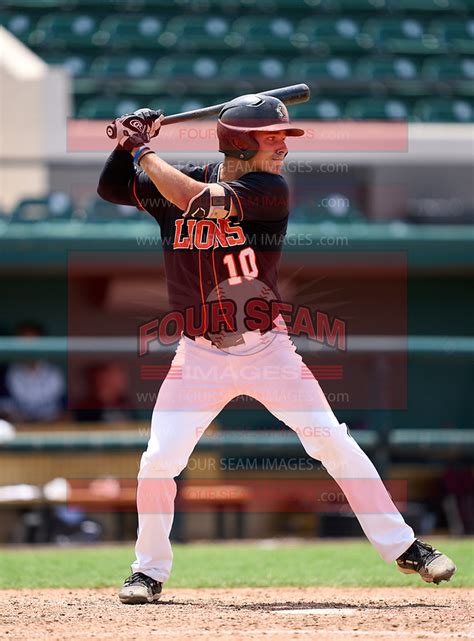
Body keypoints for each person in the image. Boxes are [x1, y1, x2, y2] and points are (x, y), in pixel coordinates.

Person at [97, 96, 456, 604]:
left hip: (267, 350)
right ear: (240, 141)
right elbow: (112, 189)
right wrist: (126, 146)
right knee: (158, 460)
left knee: (330, 439)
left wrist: (143, 148)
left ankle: (404, 546)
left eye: (283, 137)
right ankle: (148, 571)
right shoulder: (184, 175)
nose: (283, 146)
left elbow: (198, 201)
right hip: (199, 356)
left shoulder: (268, 189)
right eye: (272, 137)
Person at [0, 322, 66, 423]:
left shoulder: (55, 373)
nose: (28, 347)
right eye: (23, 342)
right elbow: (4, 413)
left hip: (49, 428)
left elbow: (65, 412)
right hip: (18, 430)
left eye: (33, 342)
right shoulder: (6, 372)